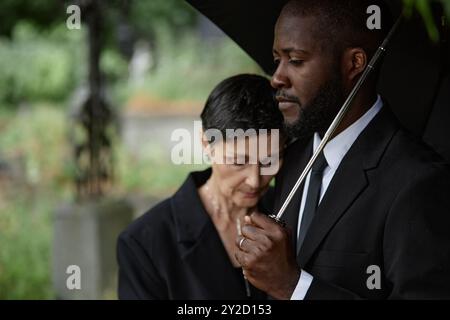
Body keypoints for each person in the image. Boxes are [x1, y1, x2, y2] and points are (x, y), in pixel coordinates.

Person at [235, 0, 450, 299]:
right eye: (277, 60)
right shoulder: (293, 159)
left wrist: (293, 286)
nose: (277, 78)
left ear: (354, 64)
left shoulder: (417, 182)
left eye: (295, 60)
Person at [116, 74, 286, 299]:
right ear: (207, 143)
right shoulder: (144, 243)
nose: (255, 180)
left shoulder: (291, 213)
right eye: (238, 161)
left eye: (269, 161)